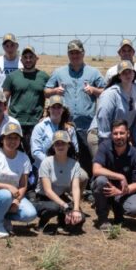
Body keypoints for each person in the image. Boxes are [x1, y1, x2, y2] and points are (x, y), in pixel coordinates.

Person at [45, 39, 104, 171]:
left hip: (86, 124)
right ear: (68, 54)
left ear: (83, 53)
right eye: (72, 53)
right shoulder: (59, 72)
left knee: (87, 156)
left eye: (77, 53)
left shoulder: (93, 72)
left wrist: (94, 90)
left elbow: (106, 91)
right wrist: (55, 91)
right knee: (67, 154)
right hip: (66, 124)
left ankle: (87, 184)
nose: (75, 56)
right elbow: (46, 91)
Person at [0, 121, 38, 238]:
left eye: (16, 138)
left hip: (13, 197)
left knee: (30, 214)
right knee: (5, 194)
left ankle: (4, 217)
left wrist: (17, 200)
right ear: (2, 139)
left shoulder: (24, 158)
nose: (12, 141)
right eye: (9, 137)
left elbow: (23, 185)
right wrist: (8, 187)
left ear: (20, 141)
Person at [91, 120, 136, 230]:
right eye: (115, 133)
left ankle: (118, 211)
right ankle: (103, 218)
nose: (118, 136)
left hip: (123, 191)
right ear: (111, 134)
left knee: (135, 209)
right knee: (101, 180)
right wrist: (120, 176)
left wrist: (121, 192)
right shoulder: (104, 146)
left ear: (128, 134)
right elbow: (96, 170)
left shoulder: (135, 154)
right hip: (106, 188)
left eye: (121, 133)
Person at [35, 130, 87, 234]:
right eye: (57, 143)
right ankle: (42, 223)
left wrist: (76, 209)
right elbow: (47, 191)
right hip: (43, 198)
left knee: (80, 218)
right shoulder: (46, 162)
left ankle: (62, 223)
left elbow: (75, 188)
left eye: (63, 143)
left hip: (61, 197)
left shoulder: (74, 164)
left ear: (69, 145)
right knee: (55, 207)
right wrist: (65, 206)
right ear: (53, 146)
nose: (60, 146)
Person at [90, 60, 136, 156]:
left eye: (129, 72)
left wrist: (132, 138)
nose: (127, 75)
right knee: (104, 166)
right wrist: (108, 145)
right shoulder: (110, 94)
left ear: (134, 74)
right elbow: (103, 117)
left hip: (119, 136)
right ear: (119, 76)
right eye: (124, 73)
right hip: (100, 136)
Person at [3, 44, 50, 151]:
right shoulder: (12, 77)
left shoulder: (44, 77)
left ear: (36, 58)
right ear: (21, 59)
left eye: (31, 57)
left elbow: (52, 97)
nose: (28, 60)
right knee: (15, 152)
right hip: (16, 123)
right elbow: (3, 99)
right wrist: (5, 116)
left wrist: (47, 116)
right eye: (25, 57)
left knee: (35, 153)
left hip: (36, 123)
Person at [30, 95, 77, 183]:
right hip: (43, 166)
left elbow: (75, 151)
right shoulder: (40, 127)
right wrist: (52, 163)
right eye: (53, 107)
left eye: (59, 107)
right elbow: (35, 152)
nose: (56, 110)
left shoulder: (70, 129)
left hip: (65, 166)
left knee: (83, 177)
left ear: (63, 109)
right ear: (48, 109)